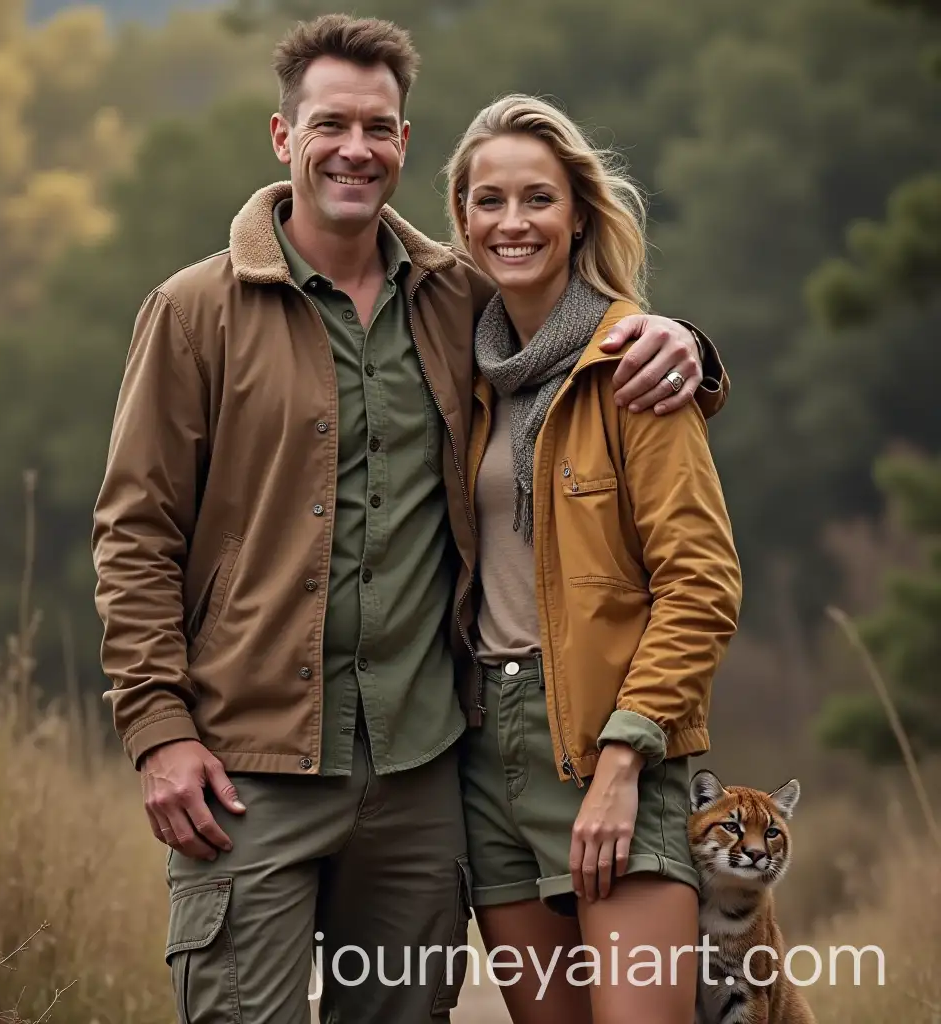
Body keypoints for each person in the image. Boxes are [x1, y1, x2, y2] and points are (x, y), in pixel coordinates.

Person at [90, 15, 730, 1024]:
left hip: (423, 775)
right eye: (330, 123)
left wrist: (681, 341)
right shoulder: (193, 311)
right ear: (280, 135)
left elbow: (573, 323)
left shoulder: (454, 299)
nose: (355, 147)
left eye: (379, 127)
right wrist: (158, 728)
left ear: (403, 141)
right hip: (250, 771)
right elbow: (134, 536)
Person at [444, 94, 743, 1023]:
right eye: (487, 201)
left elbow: (702, 584)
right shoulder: (465, 373)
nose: (512, 222)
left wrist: (623, 758)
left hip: (614, 746)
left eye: (538, 198)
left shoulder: (639, 371)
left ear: (578, 212)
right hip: (488, 750)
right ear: (461, 219)